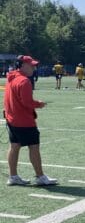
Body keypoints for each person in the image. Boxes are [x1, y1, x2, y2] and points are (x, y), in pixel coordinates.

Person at [4, 55, 57, 186]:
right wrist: (39, 104)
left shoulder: (11, 78)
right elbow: (27, 102)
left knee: (14, 146)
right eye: (31, 65)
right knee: (34, 147)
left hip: (11, 119)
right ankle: (40, 176)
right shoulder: (24, 81)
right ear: (22, 65)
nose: (34, 67)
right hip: (24, 121)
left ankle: (13, 176)